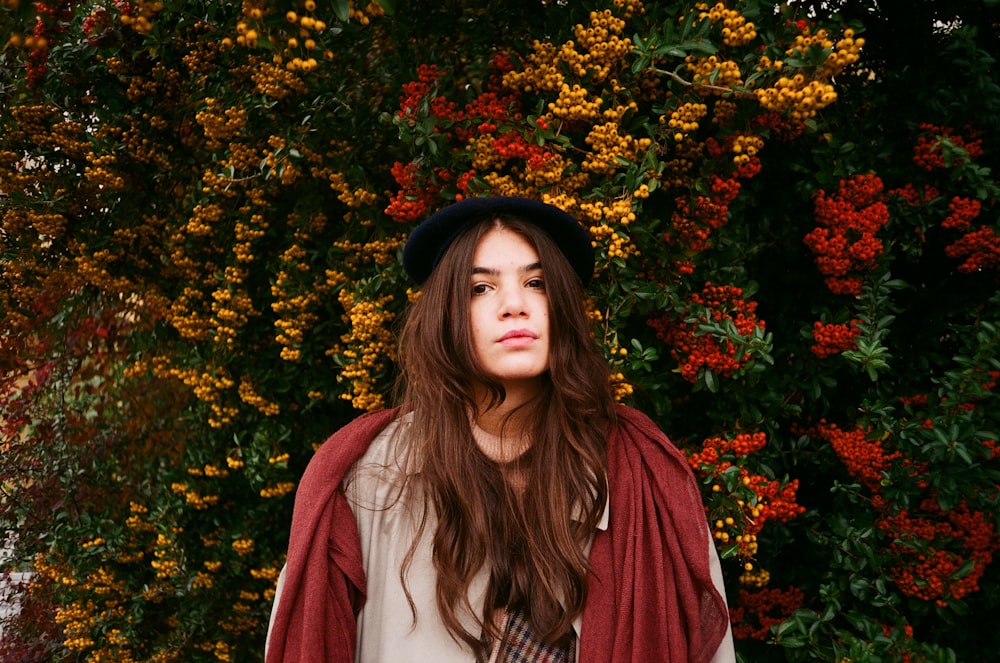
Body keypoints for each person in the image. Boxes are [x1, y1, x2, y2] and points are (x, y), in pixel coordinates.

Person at [265, 196, 736, 663]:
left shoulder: (640, 476)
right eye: (480, 289)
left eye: (536, 282)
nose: (514, 305)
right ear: (446, 314)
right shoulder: (367, 474)